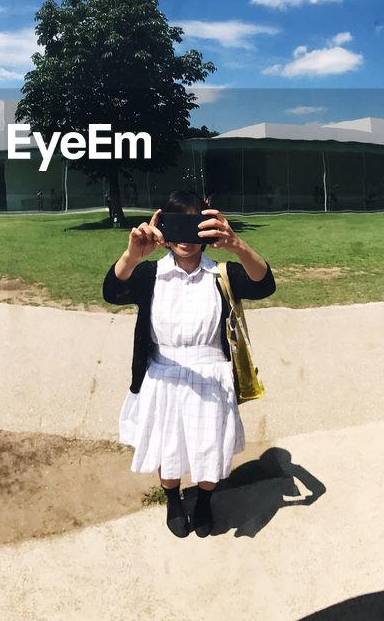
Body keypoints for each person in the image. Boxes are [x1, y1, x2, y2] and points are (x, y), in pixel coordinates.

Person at [104, 190, 275, 538]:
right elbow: (112, 291)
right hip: (163, 377)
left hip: (212, 378)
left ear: (208, 227)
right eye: (177, 223)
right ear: (162, 226)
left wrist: (236, 244)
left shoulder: (221, 275)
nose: (186, 237)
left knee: (209, 452)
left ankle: (202, 503)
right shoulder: (150, 275)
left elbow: (264, 284)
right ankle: (173, 499)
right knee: (169, 454)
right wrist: (131, 255)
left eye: (194, 223)